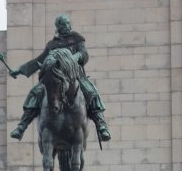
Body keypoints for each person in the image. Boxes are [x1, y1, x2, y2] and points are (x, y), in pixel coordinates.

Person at [9, 14, 111, 142]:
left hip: (74, 75)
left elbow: (84, 53)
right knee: (35, 92)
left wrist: (76, 57)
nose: (66, 26)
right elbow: (39, 61)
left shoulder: (77, 38)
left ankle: (101, 124)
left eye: (67, 23)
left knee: (91, 91)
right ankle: (22, 126)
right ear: (58, 27)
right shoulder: (52, 44)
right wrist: (19, 70)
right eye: (63, 24)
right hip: (53, 77)